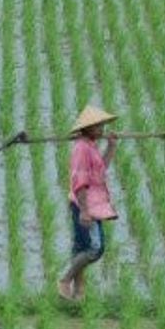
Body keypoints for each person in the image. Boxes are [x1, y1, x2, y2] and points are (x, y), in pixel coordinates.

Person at [57, 105, 119, 301]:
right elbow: (80, 183)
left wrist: (111, 147)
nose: (102, 129)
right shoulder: (81, 149)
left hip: (94, 204)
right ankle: (65, 280)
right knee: (95, 249)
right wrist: (84, 211)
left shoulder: (90, 146)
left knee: (82, 247)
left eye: (102, 125)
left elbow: (99, 172)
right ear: (88, 128)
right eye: (98, 126)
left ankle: (78, 294)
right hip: (86, 205)